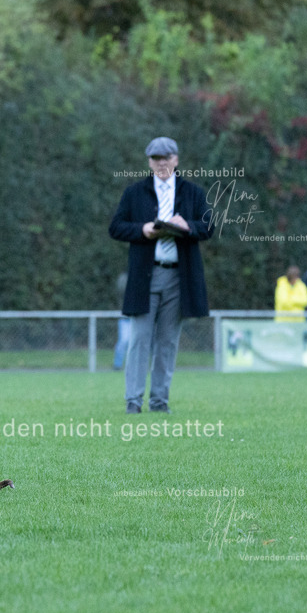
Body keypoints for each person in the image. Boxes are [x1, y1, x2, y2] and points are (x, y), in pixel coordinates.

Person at [109, 137, 212, 414]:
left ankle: (159, 401)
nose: (161, 163)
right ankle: (133, 401)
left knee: (167, 342)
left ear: (176, 159)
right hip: (145, 276)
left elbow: (208, 226)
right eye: (156, 158)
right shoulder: (135, 192)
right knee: (139, 340)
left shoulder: (193, 192)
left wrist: (187, 225)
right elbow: (116, 227)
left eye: (166, 157)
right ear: (149, 162)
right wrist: (142, 230)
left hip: (179, 278)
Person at [113, 272, 131, 369]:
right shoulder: (123, 278)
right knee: (123, 341)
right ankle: (117, 364)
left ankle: (134, 364)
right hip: (125, 318)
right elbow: (121, 290)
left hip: (139, 317)